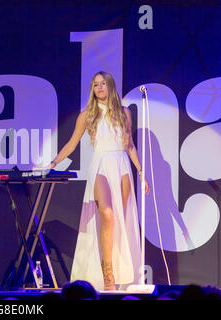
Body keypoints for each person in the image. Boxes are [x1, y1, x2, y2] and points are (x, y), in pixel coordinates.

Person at [40, 71, 150, 291]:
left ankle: (121, 272)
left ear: (110, 86)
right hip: (101, 165)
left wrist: (141, 172)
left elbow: (129, 145)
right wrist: (52, 163)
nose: (99, 88)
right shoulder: (87, 115)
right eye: (95, 85)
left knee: (120, 220)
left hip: (122, 167)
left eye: (102, 84)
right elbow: (72, 144)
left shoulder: (124, 113)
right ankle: (107, 274)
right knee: (107, 215)